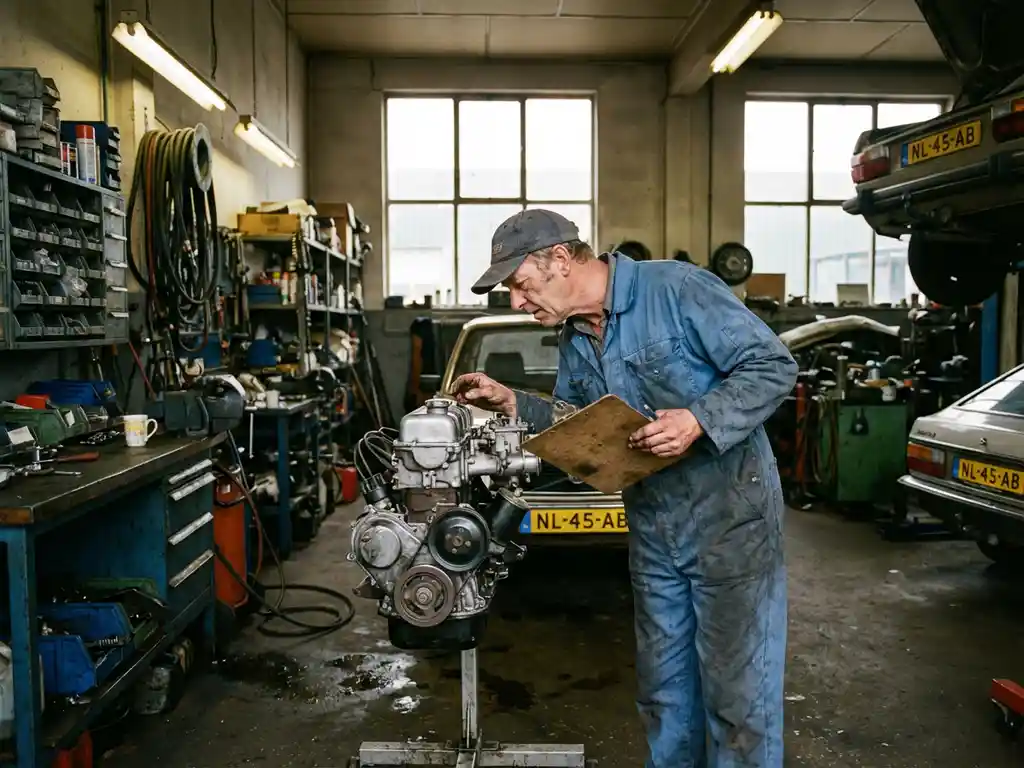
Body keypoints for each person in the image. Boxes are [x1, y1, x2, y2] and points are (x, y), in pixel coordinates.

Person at [449, 209, 798, 768]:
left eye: (521, 284)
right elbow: (581, 423)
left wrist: (698, 420)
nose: (516, 301)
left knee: (739, 698)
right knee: (665, 693)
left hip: (730, 525)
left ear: (560, 261)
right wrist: (515, 402)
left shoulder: (678, 290)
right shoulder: (575, 336)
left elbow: (772, 365)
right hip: (655, 529)